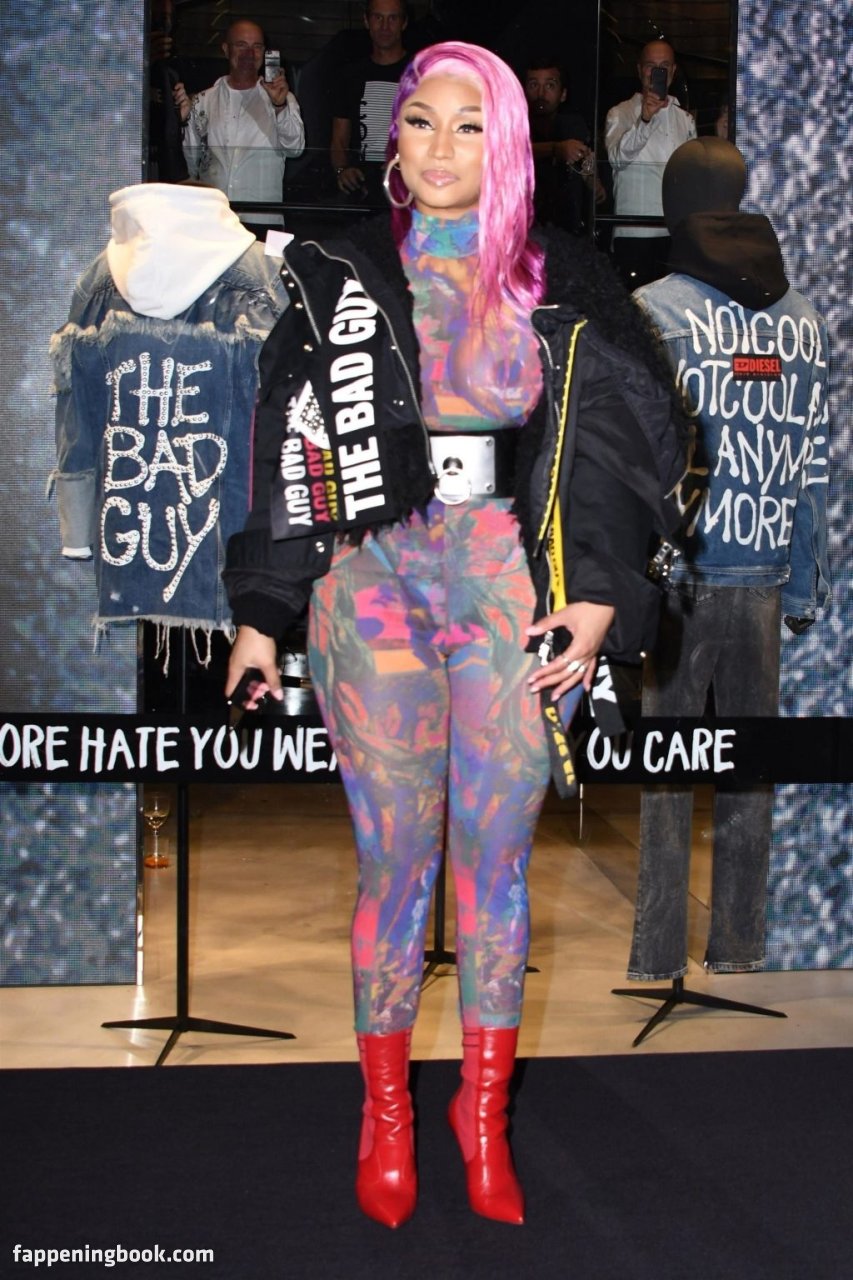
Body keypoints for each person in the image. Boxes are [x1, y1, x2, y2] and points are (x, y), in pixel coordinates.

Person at [223, 41, 684, 1227]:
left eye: (469, 124)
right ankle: (385, 1116)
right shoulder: (336, 270)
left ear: (508, 143)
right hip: (369, 578)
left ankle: (484, 1122)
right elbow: (286, 440)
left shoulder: (560, 274)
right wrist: (262, 612)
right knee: (393, 862)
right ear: (394, 138)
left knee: (494, 860)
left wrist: (599, 591)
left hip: (505, 582)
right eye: (420, 120)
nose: (438, 145)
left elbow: (623, 437)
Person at [627, 138, 831, 983]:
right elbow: (811, 466)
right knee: (751, 773)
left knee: (666, 775)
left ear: (674, 204)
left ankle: (656, 955)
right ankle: (739, 945)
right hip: (762, 573)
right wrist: (804, 580)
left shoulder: (651, 310)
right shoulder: (803, 320)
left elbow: (635, 461)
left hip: (678, 579)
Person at [49, 182, 288, 641]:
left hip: (131, 531)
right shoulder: (264, 274)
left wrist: (77, 530)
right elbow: (296, 407)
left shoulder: (98, 281)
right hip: (244, 530)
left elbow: (76, 411)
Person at [173, 19, 304, 235]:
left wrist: (279, 106)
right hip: (213, 218)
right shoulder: (204, 101)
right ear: (226, 50)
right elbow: (189, 165)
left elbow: (295, 148)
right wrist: (181, 123)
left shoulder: (283, 98)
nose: (249, 53)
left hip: (263, 219)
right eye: (241, 45)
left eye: (257, 47)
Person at [605, 40, 696, 287]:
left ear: (673, 72)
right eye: (651, 66)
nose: (658, 72)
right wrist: (644, 120)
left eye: (664, 66)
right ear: (639, 70)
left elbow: (691, 177)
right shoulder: (620, 113)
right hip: (633, 232)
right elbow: (617, 159)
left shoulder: (685, 119)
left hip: (674, 234)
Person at [330, 0, 410, 200]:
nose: (385, 26)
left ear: (404, 23)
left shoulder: (420, 73)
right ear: (366, 21)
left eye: (392, 18)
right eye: (378, 17)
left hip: (408, 186)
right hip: (362, 186)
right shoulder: (349, 75)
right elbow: (339, 139)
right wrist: (342, 170)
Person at [524, 58, 603, 234]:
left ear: (563, 94)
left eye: (550, 86)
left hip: (566, 229)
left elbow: (586, 165)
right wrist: (556, 149)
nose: (541, 93)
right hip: (524, 228)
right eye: (534, 85)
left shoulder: (573, 126)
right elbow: (514, 152)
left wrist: (593, 180)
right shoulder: (511, 124)